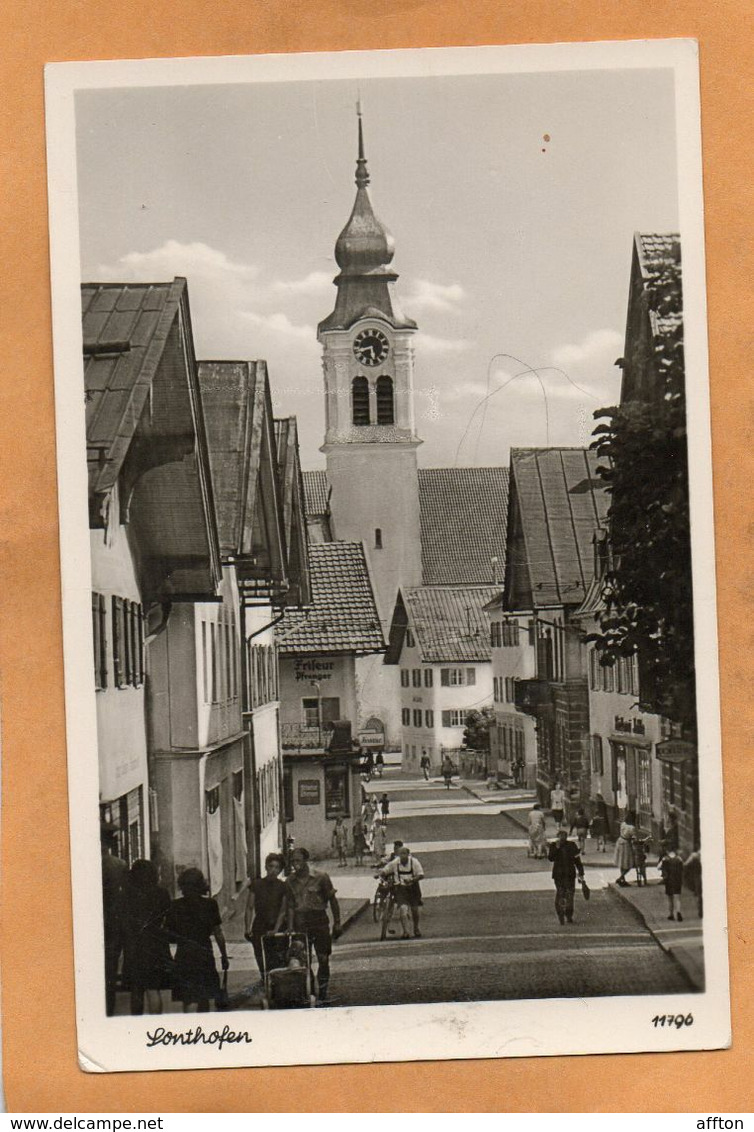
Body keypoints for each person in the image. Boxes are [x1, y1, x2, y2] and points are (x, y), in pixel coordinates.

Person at [283, 847, 341, 1004]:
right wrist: (289, 926)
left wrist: (337, 923)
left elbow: (332, 900)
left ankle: (322, 992)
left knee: (323, 958)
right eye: (293, 861)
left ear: (305, 860)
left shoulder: (321, 877)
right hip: (300, 924)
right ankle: (308, 991)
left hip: (319, 921)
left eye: (298, 861)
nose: (295, 864)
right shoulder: (289, 882)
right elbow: (289, 906)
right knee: (302, 960)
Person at [166, 868, 229, 1013]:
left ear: (182, 885)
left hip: (184, 954)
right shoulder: (210, 904)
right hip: (204, 953)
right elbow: (218, 933)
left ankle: (190, 1028)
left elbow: (169, 934)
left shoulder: (175, 905)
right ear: (201, 884)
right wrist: (224, 956)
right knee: (204, 996)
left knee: (188, 997)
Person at [123, 859, 172, 1015]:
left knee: (136, 989)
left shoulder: (127, 894)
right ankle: (154, 1024)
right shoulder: (162, 893)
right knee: (153, 989)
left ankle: (137, 1023)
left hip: (134, 944)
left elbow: (123, 919)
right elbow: (168, 917)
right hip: (156, 943)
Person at [244, 852, 287, 980]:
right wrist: (247, 928)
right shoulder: (256, 884)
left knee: (276, 957)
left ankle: (276, 983)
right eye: (271, 866)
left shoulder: (283, 886)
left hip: (277, 925)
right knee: (259, 954)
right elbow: (249, 907)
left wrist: (276, 929)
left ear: (280, 870)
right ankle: (264, 979)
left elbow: (283, 910)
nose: (273, 870)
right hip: (260, 924)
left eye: (277, 867)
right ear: (266, 867)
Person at [101, 822, 128, 1015]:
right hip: (114, 920)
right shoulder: (118, 865)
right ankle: (108, 1005)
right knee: (110, 965)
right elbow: (127, 893)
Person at [380, 846, 425, 939]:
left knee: (414, 910)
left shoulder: (414, 862)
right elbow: (386, 869)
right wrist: (380, 874)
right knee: (403, 910)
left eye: (404, 853)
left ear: (408, 854)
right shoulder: (395, 863)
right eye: (400, 854)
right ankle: (406, 932)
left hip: (413, 888)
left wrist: (412, 879)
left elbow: (421, 875)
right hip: (401, 889)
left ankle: (416, 928)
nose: (402, 856)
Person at [548, 830, 585, 925]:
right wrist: (557, 848)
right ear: (558, 836)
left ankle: (568, 915)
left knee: (570, 894)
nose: (562, 838)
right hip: (559, 875)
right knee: (560, 893)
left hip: (569, 874)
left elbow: (577, 860)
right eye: (560, 836)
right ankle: (560, 914)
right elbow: (551, 858)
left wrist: (581, 873)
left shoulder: (572, 845)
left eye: (564, 836)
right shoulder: (553, 845)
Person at [614, 811, 637, 886]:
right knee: (629, 863)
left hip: (619, 842)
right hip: (626, 844)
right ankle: (621, 877)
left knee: (622, 862)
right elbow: (634, 838)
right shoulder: (632, 828)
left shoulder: (623, 824)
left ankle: (622, 880)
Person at [660, 848, 684, 921]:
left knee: (670, 899)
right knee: (678, 898)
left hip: (669, 881)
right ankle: (678, 912)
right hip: (677, 880)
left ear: (668, 851)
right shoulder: (679, 859)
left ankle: (671, 914)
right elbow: (682, 868)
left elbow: (658, 867)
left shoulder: (665, 859)